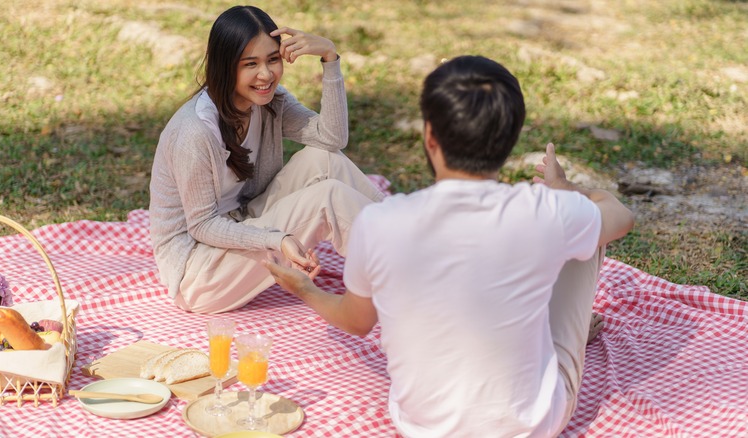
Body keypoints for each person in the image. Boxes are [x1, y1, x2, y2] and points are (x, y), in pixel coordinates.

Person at [264, 55, 635, 437]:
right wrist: (567, 190)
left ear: (430, 138)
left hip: (422, 426)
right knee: (588, 228)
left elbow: (356, 322)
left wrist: (304, 288)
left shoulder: (380, 223)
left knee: (576, 228)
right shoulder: (543, 211)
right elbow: (621, 216)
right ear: (508, 143)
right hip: (530, 425)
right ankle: (564, 338)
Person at [149, 5, 385, 314]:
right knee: (327, 198)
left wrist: (330, 58)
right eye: (251, 64)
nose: (266, 74)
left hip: (244, 223)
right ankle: (412, 276)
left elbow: (332, 139)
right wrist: (277, 238)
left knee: (325, 160)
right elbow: (203, 226)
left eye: (272, 59)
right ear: (225, 67)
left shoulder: (269, 102)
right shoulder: (194, 132)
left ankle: (410, 239)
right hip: (200, 272)